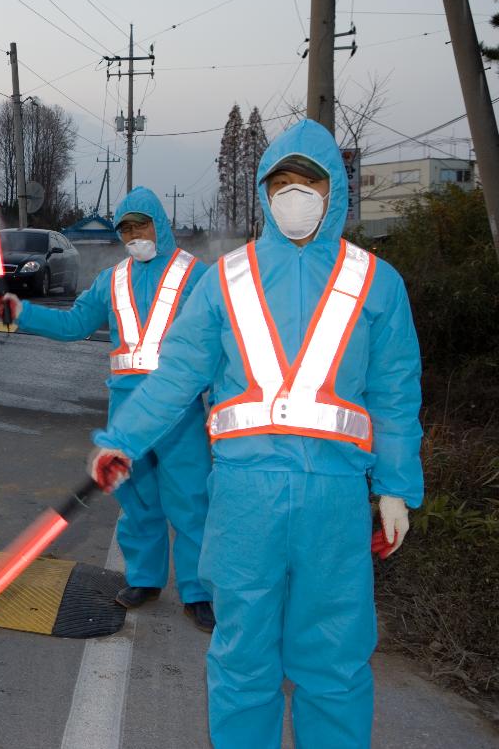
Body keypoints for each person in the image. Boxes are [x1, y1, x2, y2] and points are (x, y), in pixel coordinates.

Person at [88, 119, 423, 748]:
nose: (296, 196)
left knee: (335, 663)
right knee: (243, 662)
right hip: (245, 502)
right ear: (265, 193)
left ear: (336, 191)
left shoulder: (378, 282)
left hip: (335, 499)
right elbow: (175, 375)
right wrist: (124, 440)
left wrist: (396, 487)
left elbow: (396, 393)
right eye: (283, 184)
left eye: (310, 183)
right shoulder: (226, 279)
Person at [0, 187, 215, 632]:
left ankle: (199, 590)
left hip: (180, 412)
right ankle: (145, 579)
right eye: (125, 228)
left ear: (159, 225)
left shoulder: (198, 277)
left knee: (191, 502)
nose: (133, 235)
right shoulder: (112, 280)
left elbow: (220, 343)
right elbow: (73, 324)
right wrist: (22, 312)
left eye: (140, 225)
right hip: (127, 412)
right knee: (137, 500)